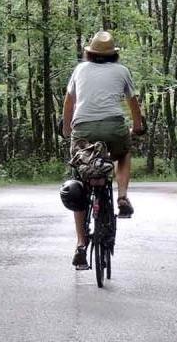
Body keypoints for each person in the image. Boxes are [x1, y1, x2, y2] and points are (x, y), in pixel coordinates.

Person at [61, 31, 144, 269]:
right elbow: (133, 102)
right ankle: (122, 197)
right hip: (114, 128)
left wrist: (68, 130)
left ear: (90, 53)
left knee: (80, 178)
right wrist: (137, 127)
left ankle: (80, 244)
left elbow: (70, 102)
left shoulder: (80, 70)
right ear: (113, 54)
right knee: (124, 153)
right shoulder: (122, 71)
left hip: (83, 131)